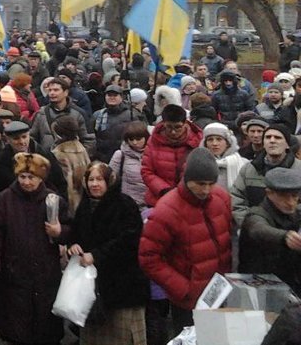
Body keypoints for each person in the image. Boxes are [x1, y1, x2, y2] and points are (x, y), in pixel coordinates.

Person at [139, 147, 232, 335]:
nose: (206, 190)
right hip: (188, 302)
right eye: (200, 184)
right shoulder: (167, 210)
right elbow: (149, 258)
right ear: (187, 179)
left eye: (210, 184)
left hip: (219, 292)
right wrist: (183, 289)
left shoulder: (221, 198)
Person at [0, 150, 70, 345]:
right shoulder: (5, 199)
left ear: (40, 179)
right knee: (16, 326)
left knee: (45, 327)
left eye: (31, 177)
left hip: (46, 273)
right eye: (22, 176)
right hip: (15, 272)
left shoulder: (53, 200)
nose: (26, 182)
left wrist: (59, 232)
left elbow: (70, 229)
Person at [65, 162, 149, 345]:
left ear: (109, 181)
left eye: (99, 179)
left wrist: (96, 255)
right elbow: (75, 232)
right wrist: (73, 245)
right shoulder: (85, 206)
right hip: (92, 289)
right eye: (91, 180)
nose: (95, 184)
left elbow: (129, 240)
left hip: (123, 288)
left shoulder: (125, 205)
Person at [239, 168, 301, 294]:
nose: (290, 202)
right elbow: (258, 230)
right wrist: (285, 237)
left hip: (290, 288)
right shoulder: (255, 215)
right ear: (269, 193)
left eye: (294, 196)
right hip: (258, 291)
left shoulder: (296, 214)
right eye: (283, 196)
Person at [230, 123, 301, 225]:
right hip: (257, 232)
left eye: (278, 138)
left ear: (287, 144)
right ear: (263, 143)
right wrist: (251, 224)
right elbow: (236, 199)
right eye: (268, 137)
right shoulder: (248, 169)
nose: (272, 141)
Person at [141, 104, 203, 206]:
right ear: (163, 124)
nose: (173, 132)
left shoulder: (197, 140)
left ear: (185, 123)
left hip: (189, 199)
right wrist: (164, 189)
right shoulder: (154, 141)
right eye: (169, 127)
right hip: (159, 199)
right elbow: (146, 171)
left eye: (178, 127)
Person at [108, 121, 150, 209]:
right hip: (127, 205)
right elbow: (110, 179)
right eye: (131, 139)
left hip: (149, 204)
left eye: (138, 139)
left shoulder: (154, 154)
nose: (134, 142)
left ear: (146, 138)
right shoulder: (120, 155)